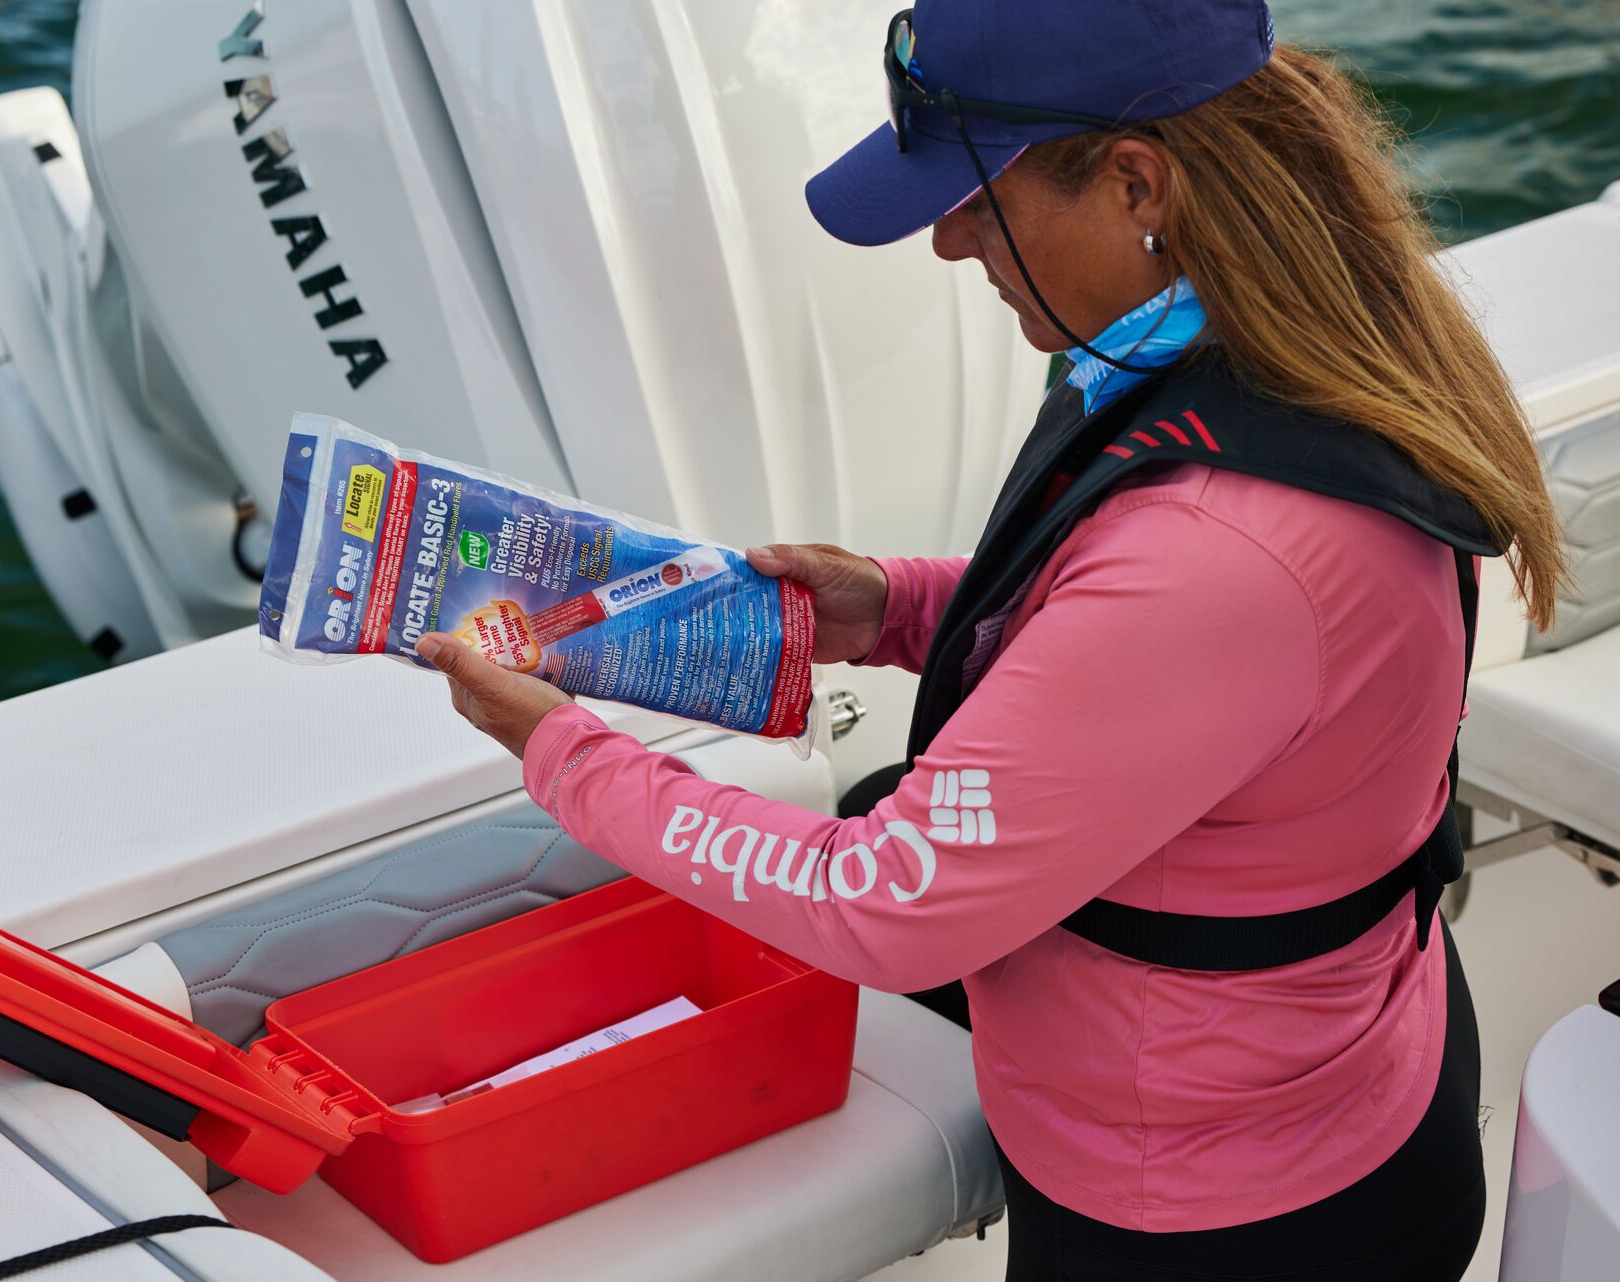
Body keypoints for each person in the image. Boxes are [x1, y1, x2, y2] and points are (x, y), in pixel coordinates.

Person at [412, 1, 1566, 1277]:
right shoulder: (1299, 330)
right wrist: (902, 605)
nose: (954, 241)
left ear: (1139, 180)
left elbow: (882, 902)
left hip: (1223, 1210)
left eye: (978, 196)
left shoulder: (1225, 553)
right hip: (1336, 1075)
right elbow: (1175, 646)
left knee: (865, 817)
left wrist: (562, 749)